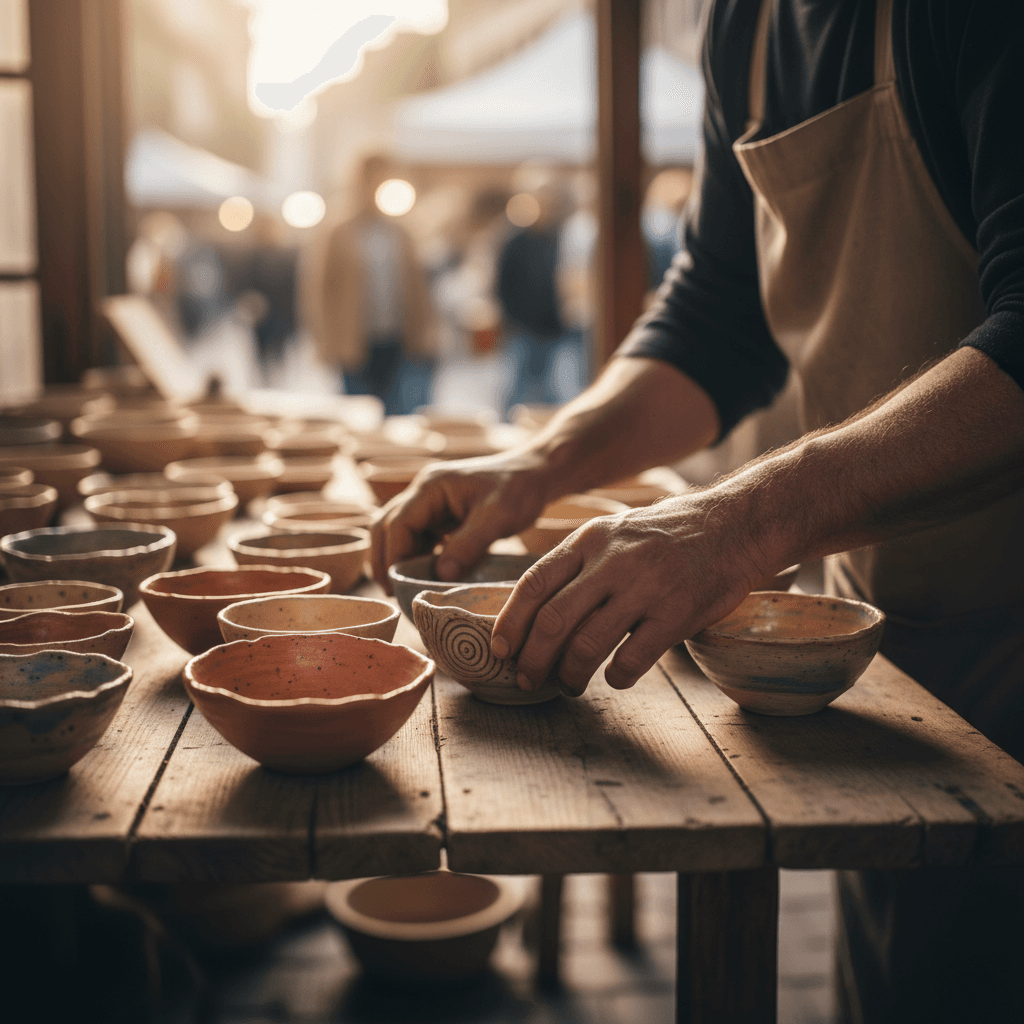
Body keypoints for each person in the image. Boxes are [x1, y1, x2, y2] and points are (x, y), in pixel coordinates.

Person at [372, 1, 1024, 1021]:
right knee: (909, 975)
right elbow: (718, 317)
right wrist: (534, 467)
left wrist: (744, 520)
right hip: (888, 621)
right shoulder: (749, 26)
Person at [301, 153, 437, 415]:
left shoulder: (402, 232)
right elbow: (319, 290)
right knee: (360, 414)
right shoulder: (338, 232)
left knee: (398, 413)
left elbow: (418, 287)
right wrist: (325, 342)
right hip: (354, 342)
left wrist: (426, 332)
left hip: (397, 339)